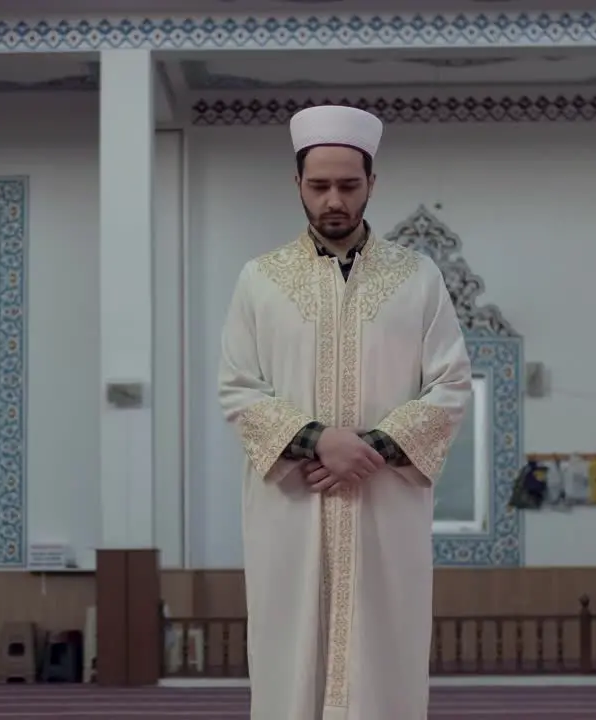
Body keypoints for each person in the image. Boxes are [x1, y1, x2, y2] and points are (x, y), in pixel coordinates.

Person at [217, 104, 473, 720]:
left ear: (372, 184)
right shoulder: (261, 280)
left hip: (386, 508)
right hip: (291, 509)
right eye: (319, 185)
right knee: (290, 659)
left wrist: (373, 449)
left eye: (349, 185)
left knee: (384, 662)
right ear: (297, 184)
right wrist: (314, 440)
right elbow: (237, 388)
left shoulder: (418, 278)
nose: (334, 199)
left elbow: (452, 384)